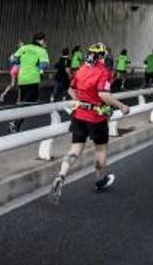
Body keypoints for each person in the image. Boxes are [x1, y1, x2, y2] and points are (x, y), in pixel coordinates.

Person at [49, 43, 131, 203]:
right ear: (102, 56)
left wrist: (82, 101)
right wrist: (122, 106)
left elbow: (71, 90)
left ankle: (61, 175)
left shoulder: (81, 70)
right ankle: (100, 180)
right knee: (100, 149)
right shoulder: (104, 72)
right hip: (96, 117)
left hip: (79, 114)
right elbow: (103, 95)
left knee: (75, 149)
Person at [8, 32, 50, 133]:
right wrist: (37, 66)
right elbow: (44, 65)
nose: (45, 42)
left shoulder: (24, 48)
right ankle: (15, 123)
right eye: (44, 40)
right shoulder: (42, 51)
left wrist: (22, 62)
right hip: (33, 79)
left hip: (22, 79)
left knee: (25, 102)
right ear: (41, 40)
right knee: (28, 103)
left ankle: (16, 124)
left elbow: (13, 60)